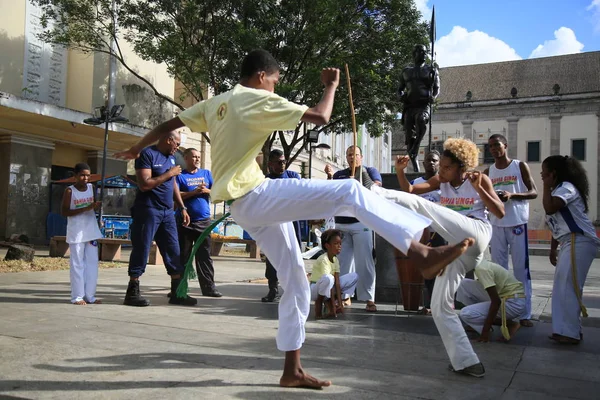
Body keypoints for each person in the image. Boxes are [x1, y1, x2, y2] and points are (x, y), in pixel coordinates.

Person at [115, 49, 474, 388]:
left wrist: (137, 148)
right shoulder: (257, 97)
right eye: (275, 79)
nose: (276, 86)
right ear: (261, 76)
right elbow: (321, 116)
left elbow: (168, 124)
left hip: (246, 205)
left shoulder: (216, 103)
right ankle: (420, 253)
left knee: (297, 283)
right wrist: (330, 86)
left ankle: (292, 369)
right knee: (349, 190)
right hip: (256, 197)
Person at [371, 138, 505, 378]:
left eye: (446, 167)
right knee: (439, 306)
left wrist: (480, 190)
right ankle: (466, 361)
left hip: (477, 233)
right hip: (458, 249)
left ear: (461, 167)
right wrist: (400, 172)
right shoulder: (439, 181)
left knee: (426, 208)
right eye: (440, 166)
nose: (441, 171)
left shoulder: (478, 179)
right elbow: (410, 191)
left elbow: (500, 212)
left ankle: (374, 194)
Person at [123, 131, 197, 307]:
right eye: (176, 144)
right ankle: (132, 291)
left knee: (173, 250)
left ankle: (177, 292)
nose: (177, 148)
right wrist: (168, 174)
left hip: (167, 213)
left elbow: (173, 185)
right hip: (148, 210)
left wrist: (182, 207)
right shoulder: (147, 154)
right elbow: (144, 184)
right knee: (142, 248)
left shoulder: (171, 159)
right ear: (168, 139)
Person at [541, 155, 600, 345]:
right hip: (569, 240)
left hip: (579, 239)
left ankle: (570, 332)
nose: (541, 175)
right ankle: (566, 329)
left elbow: (550, 208)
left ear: (553, 174)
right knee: (562, 285)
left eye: (544, 172)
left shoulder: (566, 188)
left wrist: (546, 187)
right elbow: (556, 224)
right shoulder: (559, 189)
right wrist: (553, 249)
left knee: (568, 285)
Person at [484, 134, 537, 327]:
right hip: (496, 225)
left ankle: (525, 313)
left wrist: (512, 194)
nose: (494, 149)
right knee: (498, 270)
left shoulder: (519, 166)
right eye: (490, 147)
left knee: (521, 269)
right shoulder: (488, 171)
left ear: (505, 146)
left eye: (497, 145)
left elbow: (533, 192)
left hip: (516, 223)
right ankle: (502, 311)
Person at [325, 145, 381, 312]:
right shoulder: (339, 175)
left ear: (361, 157)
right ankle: (343, 296)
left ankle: (369, 298)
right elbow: (332, 194)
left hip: (361, 223)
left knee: (365, 262)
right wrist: (331, 178)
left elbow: (376, 188)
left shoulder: (370, 171)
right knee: (342, 263)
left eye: (355, 154)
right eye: (349, 154)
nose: (352, 157)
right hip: (342, 224)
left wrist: (359, 179)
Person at [176, 148, 222, 298]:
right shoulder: (180, 176)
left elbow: (216, 192)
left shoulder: (206, 174)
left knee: (205, 256)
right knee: (183, 256)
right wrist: (193, 192)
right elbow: (175, 194)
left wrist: (206, 191)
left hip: (204, 222)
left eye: (198, 157)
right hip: (185, 222)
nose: (196, 159)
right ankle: (180, 288)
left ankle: (209, 288)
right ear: (186, 158)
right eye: (193, 157)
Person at [261, 149, 303, 303]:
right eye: (279, 162)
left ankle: (294, 290)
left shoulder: (293, 176)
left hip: (291, 223)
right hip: (274, 224)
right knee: (272, 258)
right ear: (271, 164)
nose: (282, 165)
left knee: (294, 256)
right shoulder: (266, 180)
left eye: (284, 161)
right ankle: (273, 289)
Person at [61, 163, 103, 305]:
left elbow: (94, 209)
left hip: (90, 231)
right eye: (82, 175)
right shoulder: (69, 191)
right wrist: (86, 208)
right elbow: (64, 212)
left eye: (88, 175)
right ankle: (77, 297)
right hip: (76, 232)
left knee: (92, 264)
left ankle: (90, 296)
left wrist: (96, 208)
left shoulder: (92, 188)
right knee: (77, 264)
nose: (85, 178)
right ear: (75, 176)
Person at [410, 150, 446, 315]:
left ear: (439, 163)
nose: (431, 163)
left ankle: (443, 304)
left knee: (441, 269)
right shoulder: (416, 182)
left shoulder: (445, 184)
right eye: (428, 160)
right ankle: (430, 304)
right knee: (427, 269)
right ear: (423, 163)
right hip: (421, 233)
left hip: (440, 232)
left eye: (435, 160)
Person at [456, 260, 526, 342]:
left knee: (466, 314)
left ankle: (509, 324)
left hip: (513, 304)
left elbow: (496, 302)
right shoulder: (480, 263)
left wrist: (485, 333)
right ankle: (476, 321)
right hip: (507, 297)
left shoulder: (482, 269)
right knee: (463, 284)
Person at [398, 44, 440, 170]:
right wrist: (400, 96)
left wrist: (434, 96)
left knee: (421, 120)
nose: (423, 54)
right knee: (409, 137)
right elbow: (399, 89)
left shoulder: (431, 70)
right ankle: (415, 165)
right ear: (414, 54)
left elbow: (437, 88)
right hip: (410, 106)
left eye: (425, 52)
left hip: (423, 104)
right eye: (420, 52)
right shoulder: (406, 71)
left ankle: (416, 146)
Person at [310, 229, 359, 319]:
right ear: (327, 246)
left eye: (340, 244)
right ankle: (321, 304)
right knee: (328, 278)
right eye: (336, 244)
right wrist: (333, 308)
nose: (339, 246)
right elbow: (330, 283)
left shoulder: (335, 259)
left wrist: (340, 304)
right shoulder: (323, 259)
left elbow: (337, 283)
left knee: (354, 276)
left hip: (328, 286)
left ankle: (334, 304)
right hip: (315, 289)